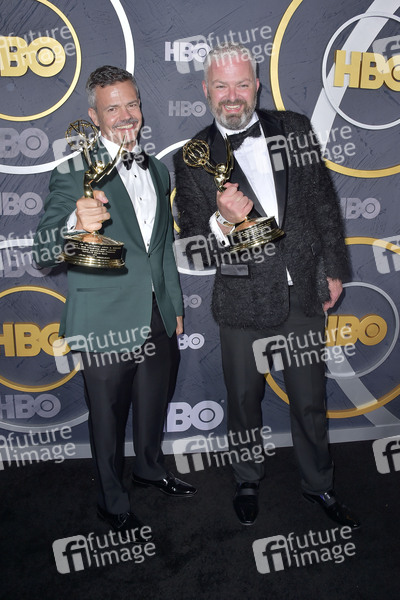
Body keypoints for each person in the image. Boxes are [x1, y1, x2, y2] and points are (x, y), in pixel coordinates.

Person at [174, 43, 359, 528]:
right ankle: (246, 479)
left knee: (310, 401)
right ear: (206, 90)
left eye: (241, 84)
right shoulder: (193, 157)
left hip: (302, 293)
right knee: (242, 401)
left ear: (256, 85)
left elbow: (323, 202)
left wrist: (333, 269)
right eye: (221, 86)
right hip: (241, 300)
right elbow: (192, 244)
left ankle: (319, 485)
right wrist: (221, 221)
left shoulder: (294, 128)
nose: (232, 95)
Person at [34, 65, 196, 536]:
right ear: (94, 116)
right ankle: (111, 499)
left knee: (153, 403)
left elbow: (160, 247)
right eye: (113, 108)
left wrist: (174, 304)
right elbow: (43, 251)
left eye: (132, 104)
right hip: (104, 319)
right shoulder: (72, 171)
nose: (126, 116)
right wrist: (75, 225)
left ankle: (149, 468)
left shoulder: (158, 169)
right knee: (107, 417)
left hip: (157, 313)